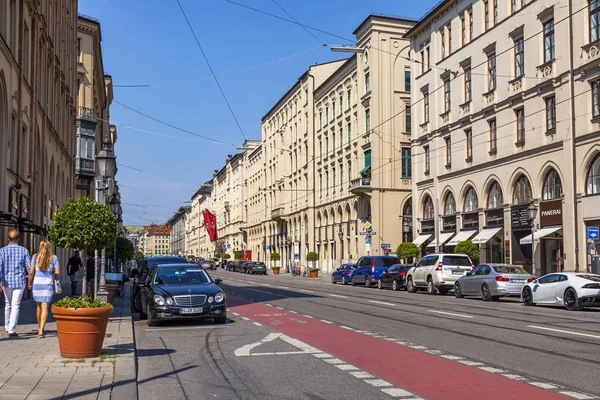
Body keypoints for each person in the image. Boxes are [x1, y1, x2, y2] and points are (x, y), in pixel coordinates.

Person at [0, 229, 32, 337]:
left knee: (8, 304)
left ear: (8, 239)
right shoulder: (24, 251)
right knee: (15, 305)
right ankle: (12, 330)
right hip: (19, 282)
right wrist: (29, 279)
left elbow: (0, 267)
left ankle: (7, 327)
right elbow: (29, 267)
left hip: (6, 282)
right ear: (18, 239)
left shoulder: (2, 251)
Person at [27, 240, 60, 338]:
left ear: (40, 247)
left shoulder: (35, 257)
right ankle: (41, 329)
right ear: (49, 247)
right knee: (45, 307)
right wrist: (51, 271)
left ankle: (39, 326)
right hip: (47, 284)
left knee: (38, 307)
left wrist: (29, 283)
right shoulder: (53, 258)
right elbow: (57, 272)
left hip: (37, 285)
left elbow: (31, 272)